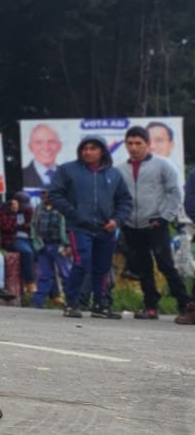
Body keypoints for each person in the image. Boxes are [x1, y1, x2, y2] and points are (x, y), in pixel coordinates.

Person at [50, 135, 131, 319]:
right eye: (84, 148)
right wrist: (74, 213)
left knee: (103, 267)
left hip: (106, 228)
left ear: (102, 151)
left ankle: (101, 305)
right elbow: (55, 195)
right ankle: (72, 303)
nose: (88, 152)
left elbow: (125, 201)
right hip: (79, 227)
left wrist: (116, 220)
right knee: (81, 262)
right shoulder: (67, 170)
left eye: (93, 148)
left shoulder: (114, 174)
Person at [117, 125, 191, 320]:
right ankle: (150, 305)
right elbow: (117, 197)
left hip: (156, 223)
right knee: (142, 267)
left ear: (147, 144)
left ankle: (185, 303)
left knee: (165, 264)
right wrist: (121, 217)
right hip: (131, 224)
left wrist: (164, 217)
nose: (134, 147)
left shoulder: (163, 165)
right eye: (130, 143)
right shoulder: (120, 170)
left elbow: (176, 192)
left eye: (138, 143)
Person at [32, 191, 70, 308]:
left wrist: (68, 245)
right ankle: (38, 302)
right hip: (43, 246)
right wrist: (37, 243)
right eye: (42, 194)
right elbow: (33, 226)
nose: (44, 197)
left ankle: (72, 301)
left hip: (59, 246)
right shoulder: (39, 209)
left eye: (46, 194)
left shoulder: (62, 208)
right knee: (44, 275)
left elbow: (67, 227)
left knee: (66, 274)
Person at [0, 191, 37, 297]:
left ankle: (52, 293)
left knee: (40, 252)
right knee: (27, 252)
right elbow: (6, 227)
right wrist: (13, 213)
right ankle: (30, 283)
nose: (24, 208)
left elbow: (32, 225)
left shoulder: (28, 210)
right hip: (11, 239)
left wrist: (25, 226)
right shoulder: (3, 210)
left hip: (28, 238)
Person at [22, 123, 63, 190]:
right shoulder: (21, 175)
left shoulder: (68, 175)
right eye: (39, 142)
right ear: (30, 147)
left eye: (51, 141)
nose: (46, 147)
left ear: (59, 146)